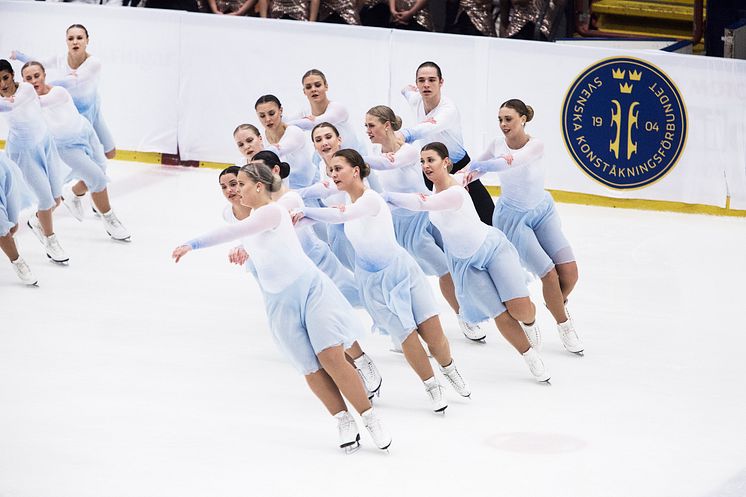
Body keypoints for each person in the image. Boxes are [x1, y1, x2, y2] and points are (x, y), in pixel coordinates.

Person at [172, 162, 391, 453]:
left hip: (310, 290)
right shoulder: (246, 217)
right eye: (231, 185)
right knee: (309, 367)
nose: (235, 190)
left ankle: (369, 416)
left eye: (241, 184)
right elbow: (251, 236)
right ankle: (343, 419)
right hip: (278, 301)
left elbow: (241, 230)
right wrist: (244, 248)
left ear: (259, 186)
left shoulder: (272, 210)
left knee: (331, 357)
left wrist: (193, 244)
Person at [294, 149, 471, 413]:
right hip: (372, 282)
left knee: (433, 335)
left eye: (338, 168)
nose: (333, 174)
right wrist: (295, 216)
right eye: (331, 170)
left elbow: (341, 215)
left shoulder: (371, 199)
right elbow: (327, 214)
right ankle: (432, 386)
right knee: (406, 336)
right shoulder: (346, 205)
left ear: (356, 171)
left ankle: (448, 367)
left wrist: (304, 210)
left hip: (402, 271)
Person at [386, 142, 551, 381]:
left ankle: (529, 322)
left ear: (446, 162)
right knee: (500, 314)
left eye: (430, 160)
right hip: (464, 263)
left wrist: (387, 197)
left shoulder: (454, 189)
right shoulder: (437, 189)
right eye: (422, 161)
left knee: (520, 309)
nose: (425, 166)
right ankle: (529, 356)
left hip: (491, 249)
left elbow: (425, 203)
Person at [252, 151, 383, 398]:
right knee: (319, 334)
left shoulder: (288, 199)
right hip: (289, 278)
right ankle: (353, 375)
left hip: (317, 267)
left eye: (259, 171)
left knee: (335, 321)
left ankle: (362, 361)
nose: (255, 178)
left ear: (275, 172)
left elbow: (270, 221)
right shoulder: (258, 209)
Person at [463, 99, 584, 354]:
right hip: (513, 220)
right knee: (549, 275)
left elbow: (513, 161)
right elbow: (474, 168)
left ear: (523, 119)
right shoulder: (496, 145)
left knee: (570, 273)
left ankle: (555, 304)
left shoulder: (535, 145)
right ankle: (564, 325)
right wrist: (460, 178)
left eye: (508, 119)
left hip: (542, 211)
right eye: (500, 119)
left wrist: (484, 166)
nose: (503, 124)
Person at [364, 105, 485, 341]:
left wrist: (358, 158)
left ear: (386, 125)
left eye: (371, 125)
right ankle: (461, 316)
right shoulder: (377, 156)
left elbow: (390, 164)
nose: (367, 130)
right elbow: (380, 173)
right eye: (366, 126)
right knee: (441, 270)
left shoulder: (409, 152)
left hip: (429, 214)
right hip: (405, 227)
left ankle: (469, 308)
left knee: (457, 262)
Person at [22, 61, 130, 242]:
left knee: (100, 170)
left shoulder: (58, 92)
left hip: (85, 134)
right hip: (66, 147)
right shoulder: (27, 103)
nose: (34, 81)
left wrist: (16, 96)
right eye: (29, 78)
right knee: (97, 178)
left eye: (37, 76)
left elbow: (39, 102)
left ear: (44, 75)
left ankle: (70, 196)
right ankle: (110, 219)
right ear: (24, 81)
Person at [398, 61, 495, 225]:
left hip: (459, 166)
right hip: (431, 167)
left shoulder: (448, 110)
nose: (426, 85)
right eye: (421, 80)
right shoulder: (416, 100)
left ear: (441, 82)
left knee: (486, 214)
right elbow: (405, 90)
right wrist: (408, 89)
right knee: (440, 219)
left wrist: (403, 134)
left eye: (432, 80)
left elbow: (426, 128)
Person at [12, 24, 117, 159]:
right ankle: (87, 174)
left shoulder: (94, 63)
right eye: (70, 38)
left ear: (87, 41)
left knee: (110, 153)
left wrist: (46, 85)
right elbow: (38, 64)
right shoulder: (60, 58)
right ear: (66, 41)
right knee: (83, 153)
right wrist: (20, 56)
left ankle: (91, 172)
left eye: (79, 38)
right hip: (70, 112)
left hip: (91, 109)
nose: (75, 42)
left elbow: (73, 81)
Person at [0, 59, 68, 263]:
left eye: (5, 78)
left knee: (57, 198)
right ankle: (50, 240)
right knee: (46, 201)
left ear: (12, 75)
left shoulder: (27, 90)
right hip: (23, 152)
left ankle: (38, 220)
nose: (3, 85)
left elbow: (13, 104)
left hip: (45, 143)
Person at [287, 69, 366, 156]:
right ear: (304, 91)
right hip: (330, 159)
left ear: (326, 86)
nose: (313, 89)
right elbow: (284, 124)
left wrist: (287, 125)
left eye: (317, 85)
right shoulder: (304, 112)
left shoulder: (337, 108)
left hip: (355, 158)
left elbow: (317, 123)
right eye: (308, 87)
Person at [254, 95, 317, 190]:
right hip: (281, 192)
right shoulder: (261, 138)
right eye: (262, 116)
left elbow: (278, 150)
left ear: (280, 110)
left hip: (310, 188)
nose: (267, 119)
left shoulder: (294, 132)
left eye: (271, 113)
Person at [0, 152, 37, 285]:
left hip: (5, 175)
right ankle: (15, 258)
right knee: (3, 226)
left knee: (8, 225)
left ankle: (13, 254)